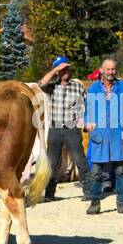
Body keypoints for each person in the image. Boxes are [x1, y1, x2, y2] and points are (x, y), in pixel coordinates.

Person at [82, 58, 123, 215]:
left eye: (113, 69)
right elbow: (88, 112)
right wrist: (86, 124)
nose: (111, 72)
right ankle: (95, 202)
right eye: (108, 69)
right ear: (101, 70)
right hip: (99, 134)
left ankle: (121, 202)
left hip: (118, 134)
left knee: (120, 171)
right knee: (96, 172)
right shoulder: (93, 89)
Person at [38, 57, 90, 203]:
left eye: (67, 68)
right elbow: (41, 83)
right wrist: (55, 69)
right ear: (57, 72)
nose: (66, 71)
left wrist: (85, 120)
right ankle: (49, 194)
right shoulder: (51, 87)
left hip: (71, 128)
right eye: (62, 69)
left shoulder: (77, 86)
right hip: (55, 129)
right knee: (52, 163)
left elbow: (89, 103)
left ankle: (88, 190)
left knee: (80, 159)